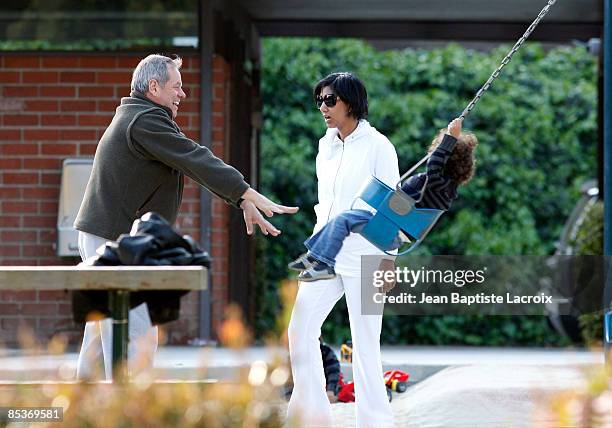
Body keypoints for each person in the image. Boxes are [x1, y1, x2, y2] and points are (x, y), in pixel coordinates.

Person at [73, 54, 298, 381]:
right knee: (136, 333)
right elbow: (195, 158)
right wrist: (245, 192)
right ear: (153, 87)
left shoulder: (141, 116)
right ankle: (131, 414)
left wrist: (240, 197)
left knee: (104, 329)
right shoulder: (144, 121)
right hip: (112, 239)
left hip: (109, 236)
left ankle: (85, 408)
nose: (183, 94)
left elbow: (189, 160)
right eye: (176, 86)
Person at [286, 72, 397, 428]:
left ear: (352, 102)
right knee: (299, 329)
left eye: (330, 100)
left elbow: (395, 207)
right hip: (326, 251)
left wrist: (389, 261)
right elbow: (326, 204)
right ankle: (311, 417)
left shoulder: (379, 146)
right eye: (319, 100)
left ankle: (375, 422)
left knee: (366, 343)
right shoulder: (326, 145)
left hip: (367, 255)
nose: (323, 107)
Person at [289, 118, 478, 281]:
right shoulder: (444, 188)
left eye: (440, 150)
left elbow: (434, 164)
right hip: (392, 226)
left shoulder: (440, 183)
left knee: (343, 219)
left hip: (391, 230)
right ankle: (316, 257)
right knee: (343, 219)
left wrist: (450, 138)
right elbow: (434, 165)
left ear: (445, 157)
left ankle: (322, 263)